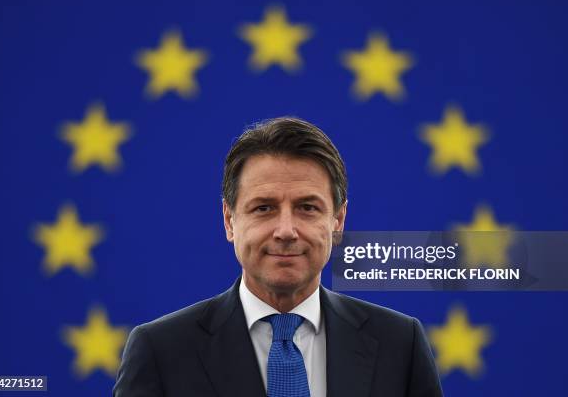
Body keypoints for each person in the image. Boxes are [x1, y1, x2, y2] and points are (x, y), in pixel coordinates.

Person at [113, 117, 443, 397]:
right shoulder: (160, 350)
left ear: (338, 221)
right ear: (229, 220)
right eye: (264, 208)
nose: (286, 230)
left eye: (307, 207)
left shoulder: (401, 344)